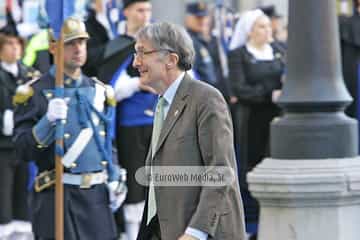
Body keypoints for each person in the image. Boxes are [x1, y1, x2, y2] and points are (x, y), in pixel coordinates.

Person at [13, 17, 126, 240]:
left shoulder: (99, 91)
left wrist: (115, 176)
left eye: (82, 43)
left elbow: (106, 143)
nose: (78, 49)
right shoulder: (33, 92)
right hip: (57, 199)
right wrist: (47, 122)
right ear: (54, 47)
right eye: (70, 43)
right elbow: (22, 150)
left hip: (96, 200)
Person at [134, 22, 246, 240]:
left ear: (171, 60)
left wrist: (195, 232)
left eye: (142, 53)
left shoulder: (206, 98)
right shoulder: (161, 104)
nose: (135, 62)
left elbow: (220, 171)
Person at [98, 1, 156, 239]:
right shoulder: (118, 46)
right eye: (140, 10)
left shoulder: (159, 46)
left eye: (148, 10)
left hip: (157, 124)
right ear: (126, 13)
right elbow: (108, 89)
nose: (145, 16)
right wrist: (137, 84)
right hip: (130, 128)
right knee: (134, 187)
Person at [228, 9, 285, 239]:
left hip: (277, 117)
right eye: (261, 26)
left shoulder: (280, 50)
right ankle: (251, 222)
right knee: (251, 164)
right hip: (251, 118)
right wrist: (268, 93)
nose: (267, 29)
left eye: (267, 25)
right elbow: (239, 88)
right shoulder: (239, 55)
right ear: (249, 31)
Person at [0, 29, 38, 239]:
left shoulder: (28, 73)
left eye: (17, 44)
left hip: (23, 143)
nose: (15, 48)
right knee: (3, 193)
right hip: (2, 146)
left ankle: (23, 231)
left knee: (24, 192)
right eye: (9, 44)